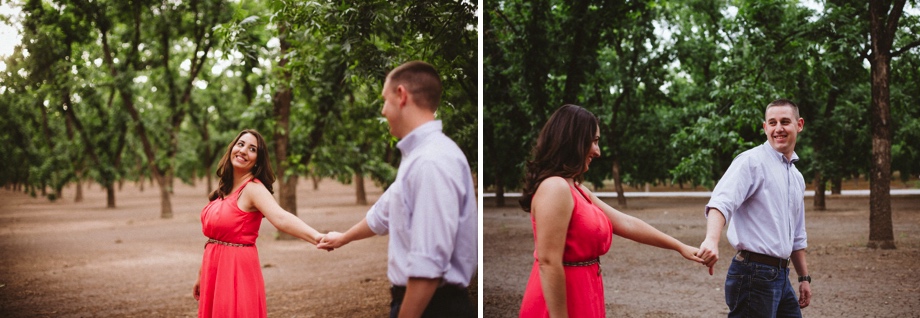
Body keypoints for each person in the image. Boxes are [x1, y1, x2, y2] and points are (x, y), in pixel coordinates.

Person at [316, 61, 478, 318]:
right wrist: (343, 237)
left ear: (401, 95)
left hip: (434, 307)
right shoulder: (420, 157)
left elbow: (429, 265)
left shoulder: (431, 161)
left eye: (384, 99)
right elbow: (384, 213)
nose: (382, 110)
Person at [518, 104, 704, 318]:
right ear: (574, 140)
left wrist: (680, 247)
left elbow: (626, 223)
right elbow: (549, 262)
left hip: (586, 292)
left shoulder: (577, 189)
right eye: (594, 141)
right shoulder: (555, 188)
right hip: (560, 303)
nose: (598, 152)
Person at [695, 99, 813, 317]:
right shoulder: (751, 162)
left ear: (799, 124)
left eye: (785, 122)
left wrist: (803, 278)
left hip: (781, 275)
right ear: (765, 127)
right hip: (752, 274)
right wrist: (711, 239)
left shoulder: (796, 177)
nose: (778, 128)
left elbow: (797, 234)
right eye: (773, 122)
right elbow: (721, 203)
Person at [193, 129, 326, 318]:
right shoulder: (224, 189)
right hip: (213, 269)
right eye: (240, 144)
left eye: (252, 149)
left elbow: (281, 218)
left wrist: (317, 237)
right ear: (232, 148)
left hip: (237, 270)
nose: (243, 151)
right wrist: (202, 274)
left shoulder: (253, 189)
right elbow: (215, 239)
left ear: (258, 160)